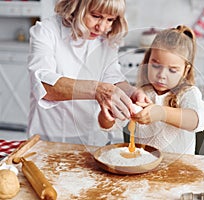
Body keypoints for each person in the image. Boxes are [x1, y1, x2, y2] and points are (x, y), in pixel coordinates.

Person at [27, 0, 150, 146]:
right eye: (96, 16)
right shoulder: (46, 31)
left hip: (95, 137)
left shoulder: (108, 37)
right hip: (52, 137)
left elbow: (112, 77)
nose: (102, 27)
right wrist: (97, 90)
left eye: (110, 19)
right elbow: (44, 86)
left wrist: (131, 92)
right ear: (77, 6)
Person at [99, 25, 204, 154]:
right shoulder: (140, 94)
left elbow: (197, 121)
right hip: (144, 166)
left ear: (186, 71)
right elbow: (108, 126)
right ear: (147, 62)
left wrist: (161, 113)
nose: (162, 75)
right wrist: (107, 114)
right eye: (156, 65)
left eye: (172, 70)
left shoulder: (188, 94)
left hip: (178, 169)